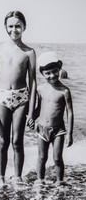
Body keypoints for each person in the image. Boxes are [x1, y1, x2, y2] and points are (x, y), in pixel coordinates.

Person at [0, 11, 36, 185]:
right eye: (11, 26)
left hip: (21, 97)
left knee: (17, 140)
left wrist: (31, 112)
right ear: (5, 27)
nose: (14, 29)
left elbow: (33, 84)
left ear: (24, 27)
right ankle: (0, 177)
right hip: (2, 97)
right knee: (3, 141)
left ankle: (17, 177)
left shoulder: (29, 52)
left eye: (18, 26)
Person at [32, 51, 74, 186]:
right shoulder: (40, 89)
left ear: (59, 69)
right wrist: (31, 118)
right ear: (42, 74)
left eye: (55, 71)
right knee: (42, 157)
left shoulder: (64, 91)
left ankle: (60, 181)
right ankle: (40, 180)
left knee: (57, 158)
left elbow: (70, 112)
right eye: (47, 73)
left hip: (59, 130)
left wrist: (70, 133)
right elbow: (38, 109)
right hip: (42, 128)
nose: (52, 75)